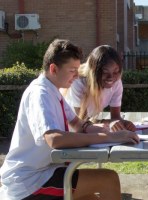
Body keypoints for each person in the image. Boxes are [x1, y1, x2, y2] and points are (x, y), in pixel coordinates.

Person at [0, 39, 139, 200]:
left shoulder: (53, 91)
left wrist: (113, 130)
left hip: (45, 171)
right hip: (30, 181)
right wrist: (109, 137)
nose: (77, 75)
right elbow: (54, 139)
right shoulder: (40, 94)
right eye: (72, 70)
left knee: (92, 198)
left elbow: (80, 125)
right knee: (108, 180)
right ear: (53, 69)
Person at [62, 45, 135, 132]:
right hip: (67, 128)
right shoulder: (79, 82)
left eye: (116, 71)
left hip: (87, 124)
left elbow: (115, 117)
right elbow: (81, 123)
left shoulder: (117, 83)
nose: (111, 77)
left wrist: (123, 123)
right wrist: (108, 123)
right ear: (94, 72)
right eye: (105, 72)